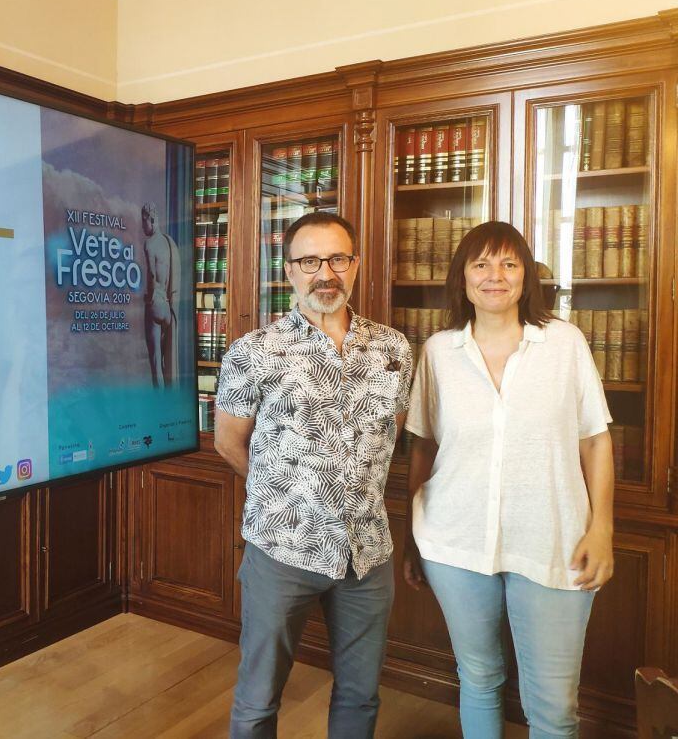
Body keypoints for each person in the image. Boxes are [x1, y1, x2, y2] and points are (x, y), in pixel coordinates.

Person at [402, 221, 614, 738]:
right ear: (463, 278)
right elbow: (423, 445)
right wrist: (413, 533)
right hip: (454, 542)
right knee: (477, 678)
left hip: (554, 540)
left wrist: (603, 527)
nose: (494, 276)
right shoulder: (439, 352)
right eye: (481, 264)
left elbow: (595, 438)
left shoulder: (564, 344)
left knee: (553, 706)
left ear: (526, 277)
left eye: (508, 263)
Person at [215, 212, 412, 739]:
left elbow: (390, 435)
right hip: (283, 549)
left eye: (337, 258)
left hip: (366, 553)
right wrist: (287, 494)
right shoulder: (254, 351)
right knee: (258, 699)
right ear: (288, 271)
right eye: (309, 261)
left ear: (356, 265)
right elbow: (228, 441)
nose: (325, 273)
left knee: (359, 694)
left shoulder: (393, 350)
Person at [142, 202, 179, 387]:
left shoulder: (150, 243)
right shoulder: (168, 242)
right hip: (167, 307)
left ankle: (160, 404)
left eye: (144, 221)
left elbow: (151, 274)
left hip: (156, 303)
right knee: (167, 362)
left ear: (152, 219)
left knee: (156, 363)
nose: (143, 226)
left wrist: (147, 297)